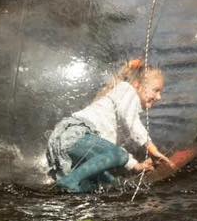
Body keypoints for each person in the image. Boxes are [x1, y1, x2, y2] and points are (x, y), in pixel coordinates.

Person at [47, 59, 168, 194]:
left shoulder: (123, 108)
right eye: (156, 90)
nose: (159, 97)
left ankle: (70, 188)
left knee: (110, 183)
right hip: (74, 134)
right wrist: (151, 148)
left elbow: (110, 148)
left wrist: (136, 166)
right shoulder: (126, 90)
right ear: (138, 85)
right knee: (119, 155)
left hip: (70, 143)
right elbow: (131, 124)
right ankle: (69, 182)